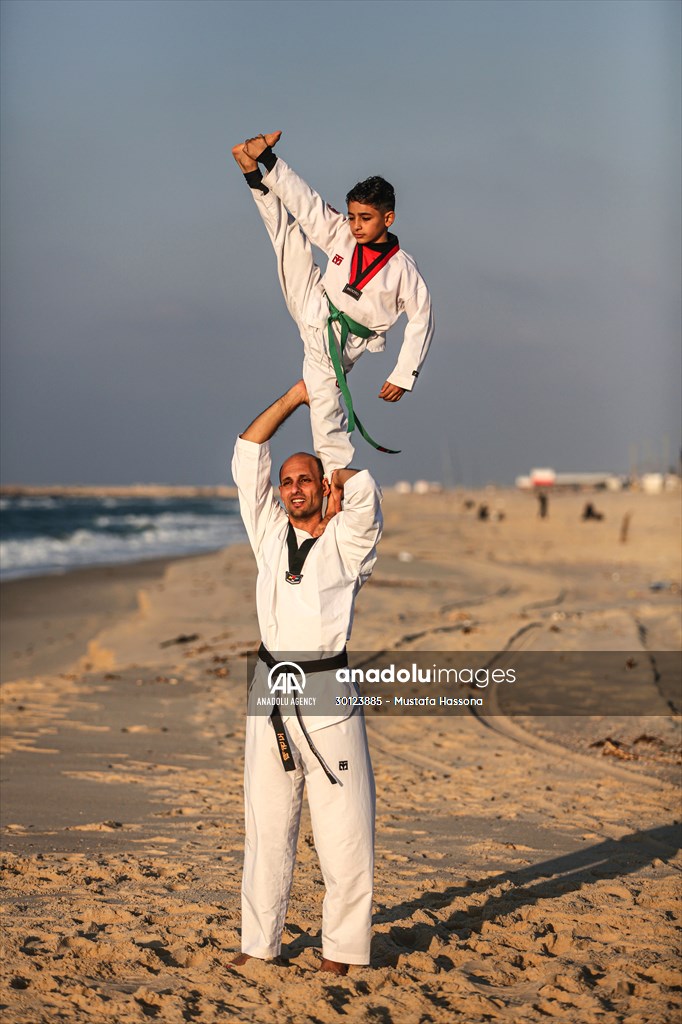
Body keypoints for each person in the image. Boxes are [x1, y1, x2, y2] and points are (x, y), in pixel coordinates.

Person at [230, 379, 383, 975]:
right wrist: (297, 396)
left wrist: (328, 413)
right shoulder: (268, 532)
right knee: (267, 824)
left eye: (306, 480)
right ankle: (258, 943)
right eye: (287, 481)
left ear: (325, 488)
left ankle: (343, 949)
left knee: (343, 827)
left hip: (326, 689)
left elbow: (362, 491)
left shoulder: (349, 541)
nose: (293, 488)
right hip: (269, 683)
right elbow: (248, 450)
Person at [231, 131, 434, 497]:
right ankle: (254, 169)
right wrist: (273, 162)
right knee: (290, 238)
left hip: (338, 346)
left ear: (388, 218)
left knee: (326, 416)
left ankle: (336, 490)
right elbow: (306, 203)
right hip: (315, 303)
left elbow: (422, 319)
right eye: (353, 215)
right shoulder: (342, 233)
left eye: (366, 218)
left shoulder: (404, 270)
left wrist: (404, 374)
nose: (356, 225)